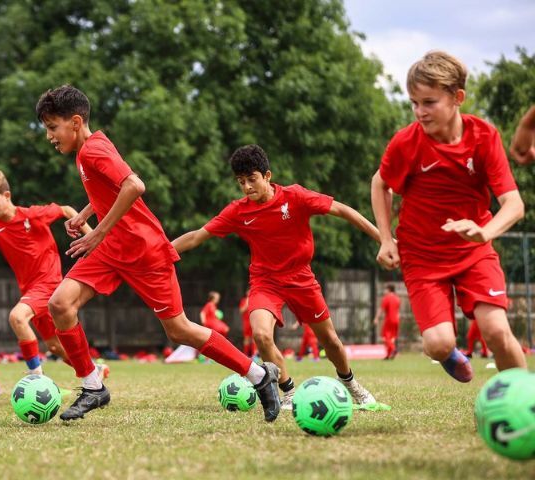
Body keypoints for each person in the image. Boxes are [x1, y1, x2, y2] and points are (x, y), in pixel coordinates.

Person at [36, 85, 281, 422]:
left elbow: (134, 185)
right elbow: (111, 187)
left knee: (179, 330)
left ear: (76, 122)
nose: (49, 136)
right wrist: (85, 214)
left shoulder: (92, 150)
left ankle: (259, 375)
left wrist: (100, 232)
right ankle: (93, 387)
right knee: (60, 304)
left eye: (52, 127)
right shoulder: (87, 151)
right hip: (112, 250)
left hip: (143, 250)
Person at [172, 144, 380, 410]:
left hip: (301, 278)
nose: (247, 187)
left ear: (267, 176)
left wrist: (385, 239)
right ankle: (289, 392)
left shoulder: (295, 196)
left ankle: (352, 385)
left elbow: (345, 211)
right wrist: (160, 252)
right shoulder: (238, 211)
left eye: (252, 179)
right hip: (265, 281)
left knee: (331, 342)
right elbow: (196, 236)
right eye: (241, 182)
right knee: (261, 334)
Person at [371, 51, 528, 382]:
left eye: (429, 102)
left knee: (497, 330)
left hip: (473, 251)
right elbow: (380, 183)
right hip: (422, 257)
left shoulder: (484, 137)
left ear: (457, 98)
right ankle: (448, 354)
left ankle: (523, 404)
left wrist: (485, 232)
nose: (419, 112)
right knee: (439, 344)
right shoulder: (406, 143)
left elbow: (513, 203)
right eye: (414, 102)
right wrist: (387, 238)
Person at [0, 170, 107, 379]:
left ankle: (35, 377)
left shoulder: (32, 215)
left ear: (7, 196)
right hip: (30, 290)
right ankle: (93, 370)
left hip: (49, 283)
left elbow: (68, 210)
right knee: (54, 347)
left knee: (17, 317)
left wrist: (93, 239)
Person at [372, 284, 400, 360]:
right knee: (392, 338)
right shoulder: (397, 298)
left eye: (386, 289)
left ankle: (393, 349)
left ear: (388, 289)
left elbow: (381, 309)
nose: (385, 291)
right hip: (397, 320)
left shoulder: (386, 298)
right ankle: (388, 355)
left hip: (389, 319)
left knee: (386, 336)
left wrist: (376, 318)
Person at [238, 290, 257, 357]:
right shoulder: (243, 300)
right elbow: (241, 311)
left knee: (254, 338)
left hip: (254, 321)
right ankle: (246, 355)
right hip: (246, 322)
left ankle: (254, 355)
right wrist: (246, 304)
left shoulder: (255, 300)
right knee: (246, 338)